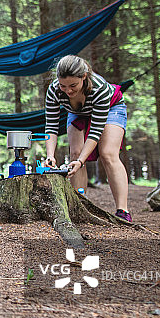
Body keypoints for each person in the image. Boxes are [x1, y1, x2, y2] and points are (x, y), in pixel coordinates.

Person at [43, 54, 131, 221]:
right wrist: (50, 155)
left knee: (108, 153)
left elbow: (96, 131)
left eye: (73, 85)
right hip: (77, 112)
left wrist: (83, 160)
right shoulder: (54, 90)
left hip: (111, 108)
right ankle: (80, 206)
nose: (68, 91)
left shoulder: (99, 88)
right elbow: (52, 126)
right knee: (74, 154)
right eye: (63, 86)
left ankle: (122, 210)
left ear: (83, 76)